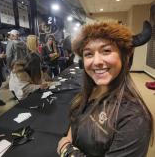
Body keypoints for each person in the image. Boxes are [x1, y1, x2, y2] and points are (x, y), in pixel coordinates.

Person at [57, 21, 153, 157]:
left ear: (124, 57)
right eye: (89, 54)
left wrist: (66, 150)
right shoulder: (89, 91)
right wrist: (68, 138)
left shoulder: (134, 119)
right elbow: (76, 120)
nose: (96, 61)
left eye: (106, 51)